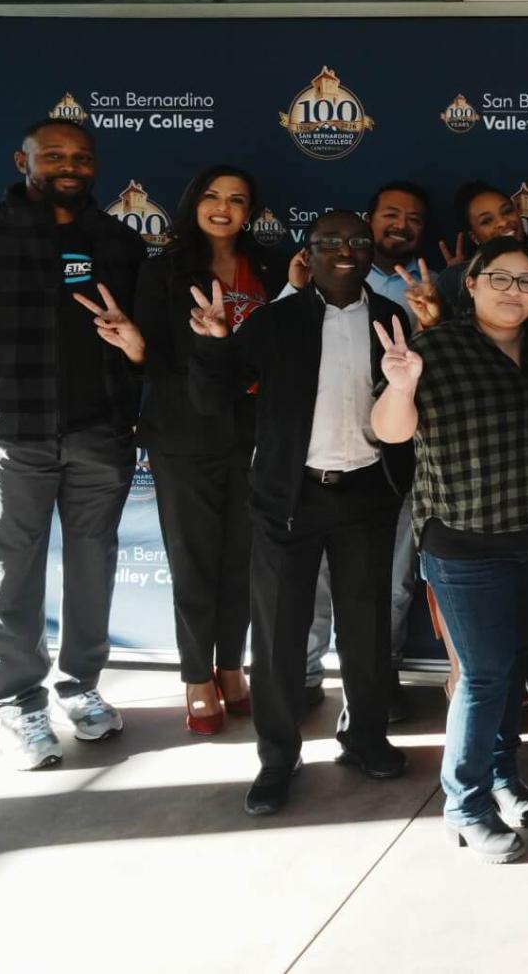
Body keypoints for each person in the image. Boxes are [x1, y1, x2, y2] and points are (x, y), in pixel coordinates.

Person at [0, 118, 145, 769]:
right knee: (8, 570)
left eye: (83, 156)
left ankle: (81, 686)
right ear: (23, 160)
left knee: (93, 566)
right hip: (12, 432)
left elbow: (140, 341)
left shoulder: (116, 240)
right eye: (56, 155)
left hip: (99, 432)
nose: (71, 165)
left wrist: (134, 352)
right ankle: (18, 705)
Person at [189, 210, 411, 816]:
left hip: (367, 493)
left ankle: (364, 736)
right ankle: (277, 756)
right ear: (306, 254)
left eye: (357, 242)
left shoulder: (393, 318)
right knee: (282, 634)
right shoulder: (277, 320)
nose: (346, 251)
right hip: (290, 498)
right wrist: (212, 346)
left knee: (365, 631)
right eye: (330, 242)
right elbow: (214, 399)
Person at [370, 236, 528, 862]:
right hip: (461, 545)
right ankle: (466, 802)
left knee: (510, 674)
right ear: (471, 284)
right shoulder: (433, 349)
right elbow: (390, 431)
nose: (514, 291)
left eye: (526, 281)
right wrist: (399, 387)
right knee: (482, 676)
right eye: (499, 278)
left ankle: (503, 777)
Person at [133, 164, 284, 734]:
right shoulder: (163, 271)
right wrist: (208, 356)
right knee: (195, 560)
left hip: (254, 433)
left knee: (243, 559)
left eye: (237, 199)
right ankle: (196, 674)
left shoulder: (267, 267)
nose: (224, 208)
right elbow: (152, 359)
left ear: (251, 211)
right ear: (193, 202)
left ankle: (231, 665)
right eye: (213, 197)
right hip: (185, 434)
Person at [296, 181, 431, 724]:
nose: (401, 224)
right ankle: (304, 677)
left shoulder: (426, 287)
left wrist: (435, 315)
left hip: (390, 467)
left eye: (413, 217)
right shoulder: (309, 287)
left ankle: (377, 683)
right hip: (315, 463)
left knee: (388, 584)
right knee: (314, 583)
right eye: (390, 213)